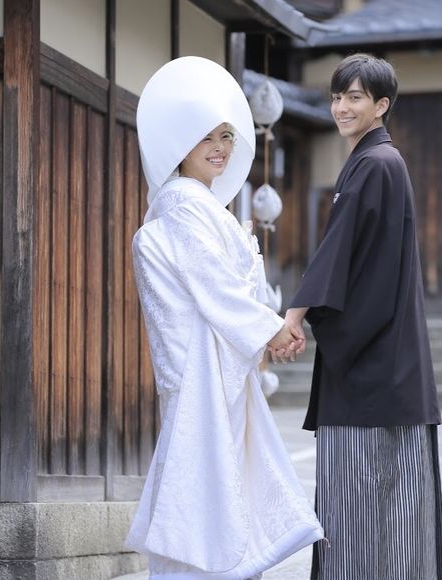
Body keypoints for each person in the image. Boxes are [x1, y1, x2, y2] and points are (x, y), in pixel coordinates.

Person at [125, 56, 324, 580]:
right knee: (207, 470)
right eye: (206, 137)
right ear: (181, 143)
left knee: (213, 472)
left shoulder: (200, 206)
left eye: (227, 137)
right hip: (201, 364)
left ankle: (219, 567)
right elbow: (214, 284)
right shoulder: (183, 206)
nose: (220, 147)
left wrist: (265, 326)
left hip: (213, 361)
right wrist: (271, 328)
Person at [283, 54, 442, 579]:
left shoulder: (374, 163)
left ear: (381, 105)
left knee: (357, 504)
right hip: (392, 363)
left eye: (354, 97)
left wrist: (294, 315)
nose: (341, 107)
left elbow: (339, 250)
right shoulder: (378, 161)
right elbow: (349, 253)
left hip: (370, 369)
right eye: (336, 97)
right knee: (397, 510)